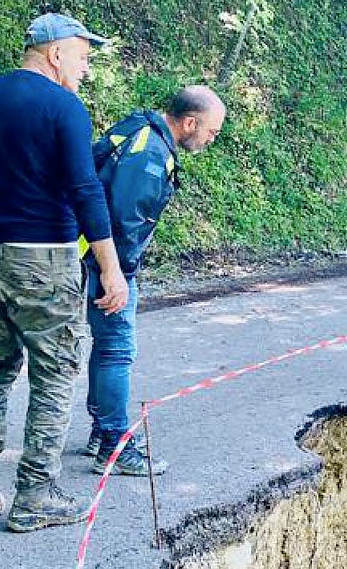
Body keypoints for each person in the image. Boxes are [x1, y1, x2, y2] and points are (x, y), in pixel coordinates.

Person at [0, 13, 130, 532]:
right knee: (54, 372)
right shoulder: (63, 107)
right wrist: (111, 271)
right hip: (44, 259)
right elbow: (85, 190)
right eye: (83, 57)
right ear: (55, 53)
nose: (86, 69)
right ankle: (35, 494)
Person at [81, 86, 226, 475]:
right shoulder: (149, 152)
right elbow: (125, 219)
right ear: (190, 122)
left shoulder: (143, 129)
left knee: (107, 346)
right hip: (106, 261)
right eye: (211, 131)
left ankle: (102, 430)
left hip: (94, 255)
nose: (212, 139)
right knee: (117, 349)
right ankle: (113, 446)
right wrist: (119, 275)